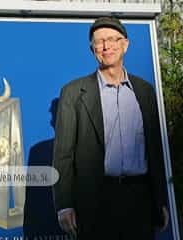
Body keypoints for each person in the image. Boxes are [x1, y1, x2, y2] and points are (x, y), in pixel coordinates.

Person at [53, 17, 169, 240]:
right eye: (99, 42)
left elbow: (155, 151)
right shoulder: (74, 93)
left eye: (112, 40)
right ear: (92, 49)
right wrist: (64, 205)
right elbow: (63, 155)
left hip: (140, 201)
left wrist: (160, 199)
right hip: (95, 203)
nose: (106, 47)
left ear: (125, 44)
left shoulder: (145, 91)